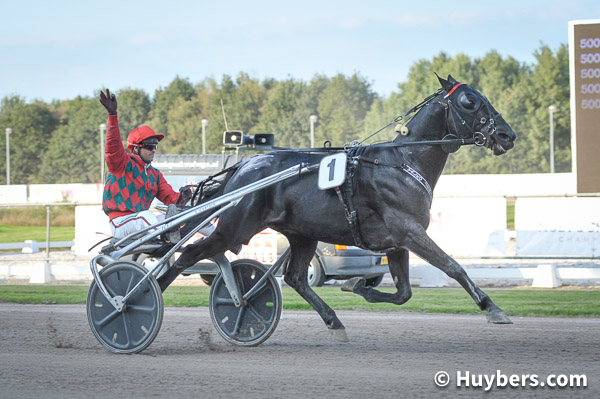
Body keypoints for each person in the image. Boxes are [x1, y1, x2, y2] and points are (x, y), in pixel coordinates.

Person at [99, 88, 207, 242]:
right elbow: (112, 147)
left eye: (155, 146)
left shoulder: (154, 175)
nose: (153, 150)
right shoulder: (121, 163)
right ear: (135, 148)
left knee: (186, 212)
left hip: (142, 223)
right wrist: (112, 116)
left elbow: (171, 200)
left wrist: (183, 197)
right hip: (121, 224)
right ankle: (168, 238)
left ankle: (222, 237)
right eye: (149, 146)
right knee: (146, 216)